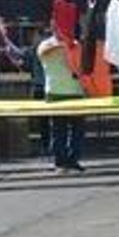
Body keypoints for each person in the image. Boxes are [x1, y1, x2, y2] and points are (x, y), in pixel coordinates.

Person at [37, 26, 86, 172]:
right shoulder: (45, 44)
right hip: (55, 93)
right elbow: (43, 53)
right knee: (58, 130)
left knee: (78, 130)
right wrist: (63, 44)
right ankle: (60, 162)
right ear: (52, 28)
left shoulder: (76, 45)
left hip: (76, 92)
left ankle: (73, 160)